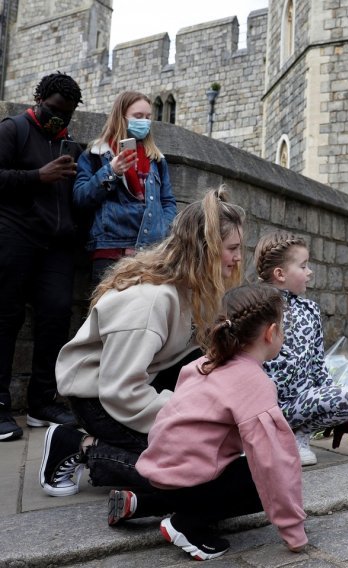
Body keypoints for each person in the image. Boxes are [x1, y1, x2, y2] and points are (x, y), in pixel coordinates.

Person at [38, 187, 244, 497]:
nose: (239, 257)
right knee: (189, 469)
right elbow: (121, 390)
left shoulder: (195, 288)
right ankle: (77, 446)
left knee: (211, 451)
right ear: (205, 248)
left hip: (135, 384)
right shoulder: (150, 301)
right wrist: (186, 419)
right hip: (98, 399)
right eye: (232, 248)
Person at [110, 283, 307, 561]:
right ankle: (186, 525)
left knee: (228, 465)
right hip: (188, 481)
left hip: (159, 471)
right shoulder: (253, 382)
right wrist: (294, 531)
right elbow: (273, 462)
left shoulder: (203, 363)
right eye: (282, 327)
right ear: (270, 332)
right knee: (262, 476)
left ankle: (142, 503)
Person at [0, 72, 83, 442]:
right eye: (53, 110)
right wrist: (38, 176)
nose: (58, 119)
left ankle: (41, 402)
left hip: (58, 247)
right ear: (38, 100)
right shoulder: (13, 130)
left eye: (66, 114)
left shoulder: (69, 144)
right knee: (6, 317)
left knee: (55, 316)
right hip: (15, 235)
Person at [255, 231, 348, 466]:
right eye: (303, 266)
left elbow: (317, 365)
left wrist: (336, 409)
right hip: (261, 406)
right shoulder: (255, 307)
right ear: (280, 274)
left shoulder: (310, 310)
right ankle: (263, 438)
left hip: (300, 403)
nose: (309, 272)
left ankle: (297, 436)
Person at [73, 91, 177, 290]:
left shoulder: (156, 159)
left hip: (150, 252)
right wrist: (111, 171)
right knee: (107, 314)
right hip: (111, 250)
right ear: (121, 117)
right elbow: (81, 198)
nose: (145, 122)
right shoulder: (96, 155)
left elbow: (168, 201)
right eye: (138, 117)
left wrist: (163, 227)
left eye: (148, 118)